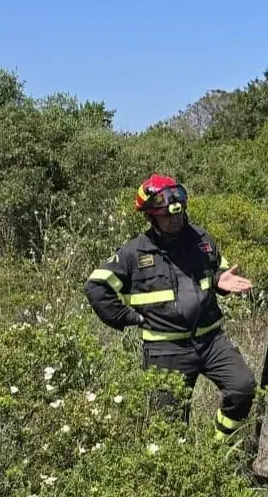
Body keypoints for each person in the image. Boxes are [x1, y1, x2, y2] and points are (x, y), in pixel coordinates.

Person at [84, 174, 257, 443]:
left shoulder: (201, 239)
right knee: (170, 428)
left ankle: (217, 449)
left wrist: (219, 280)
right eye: (166, 216)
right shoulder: (134, 253)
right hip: (166, 350)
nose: (175, 219)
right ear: (151, 217)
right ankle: (183, 470)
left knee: (242, 387)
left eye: (178, 213)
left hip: (211, 341)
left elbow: (218, 268)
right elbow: (96, 286)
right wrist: (127, 317)